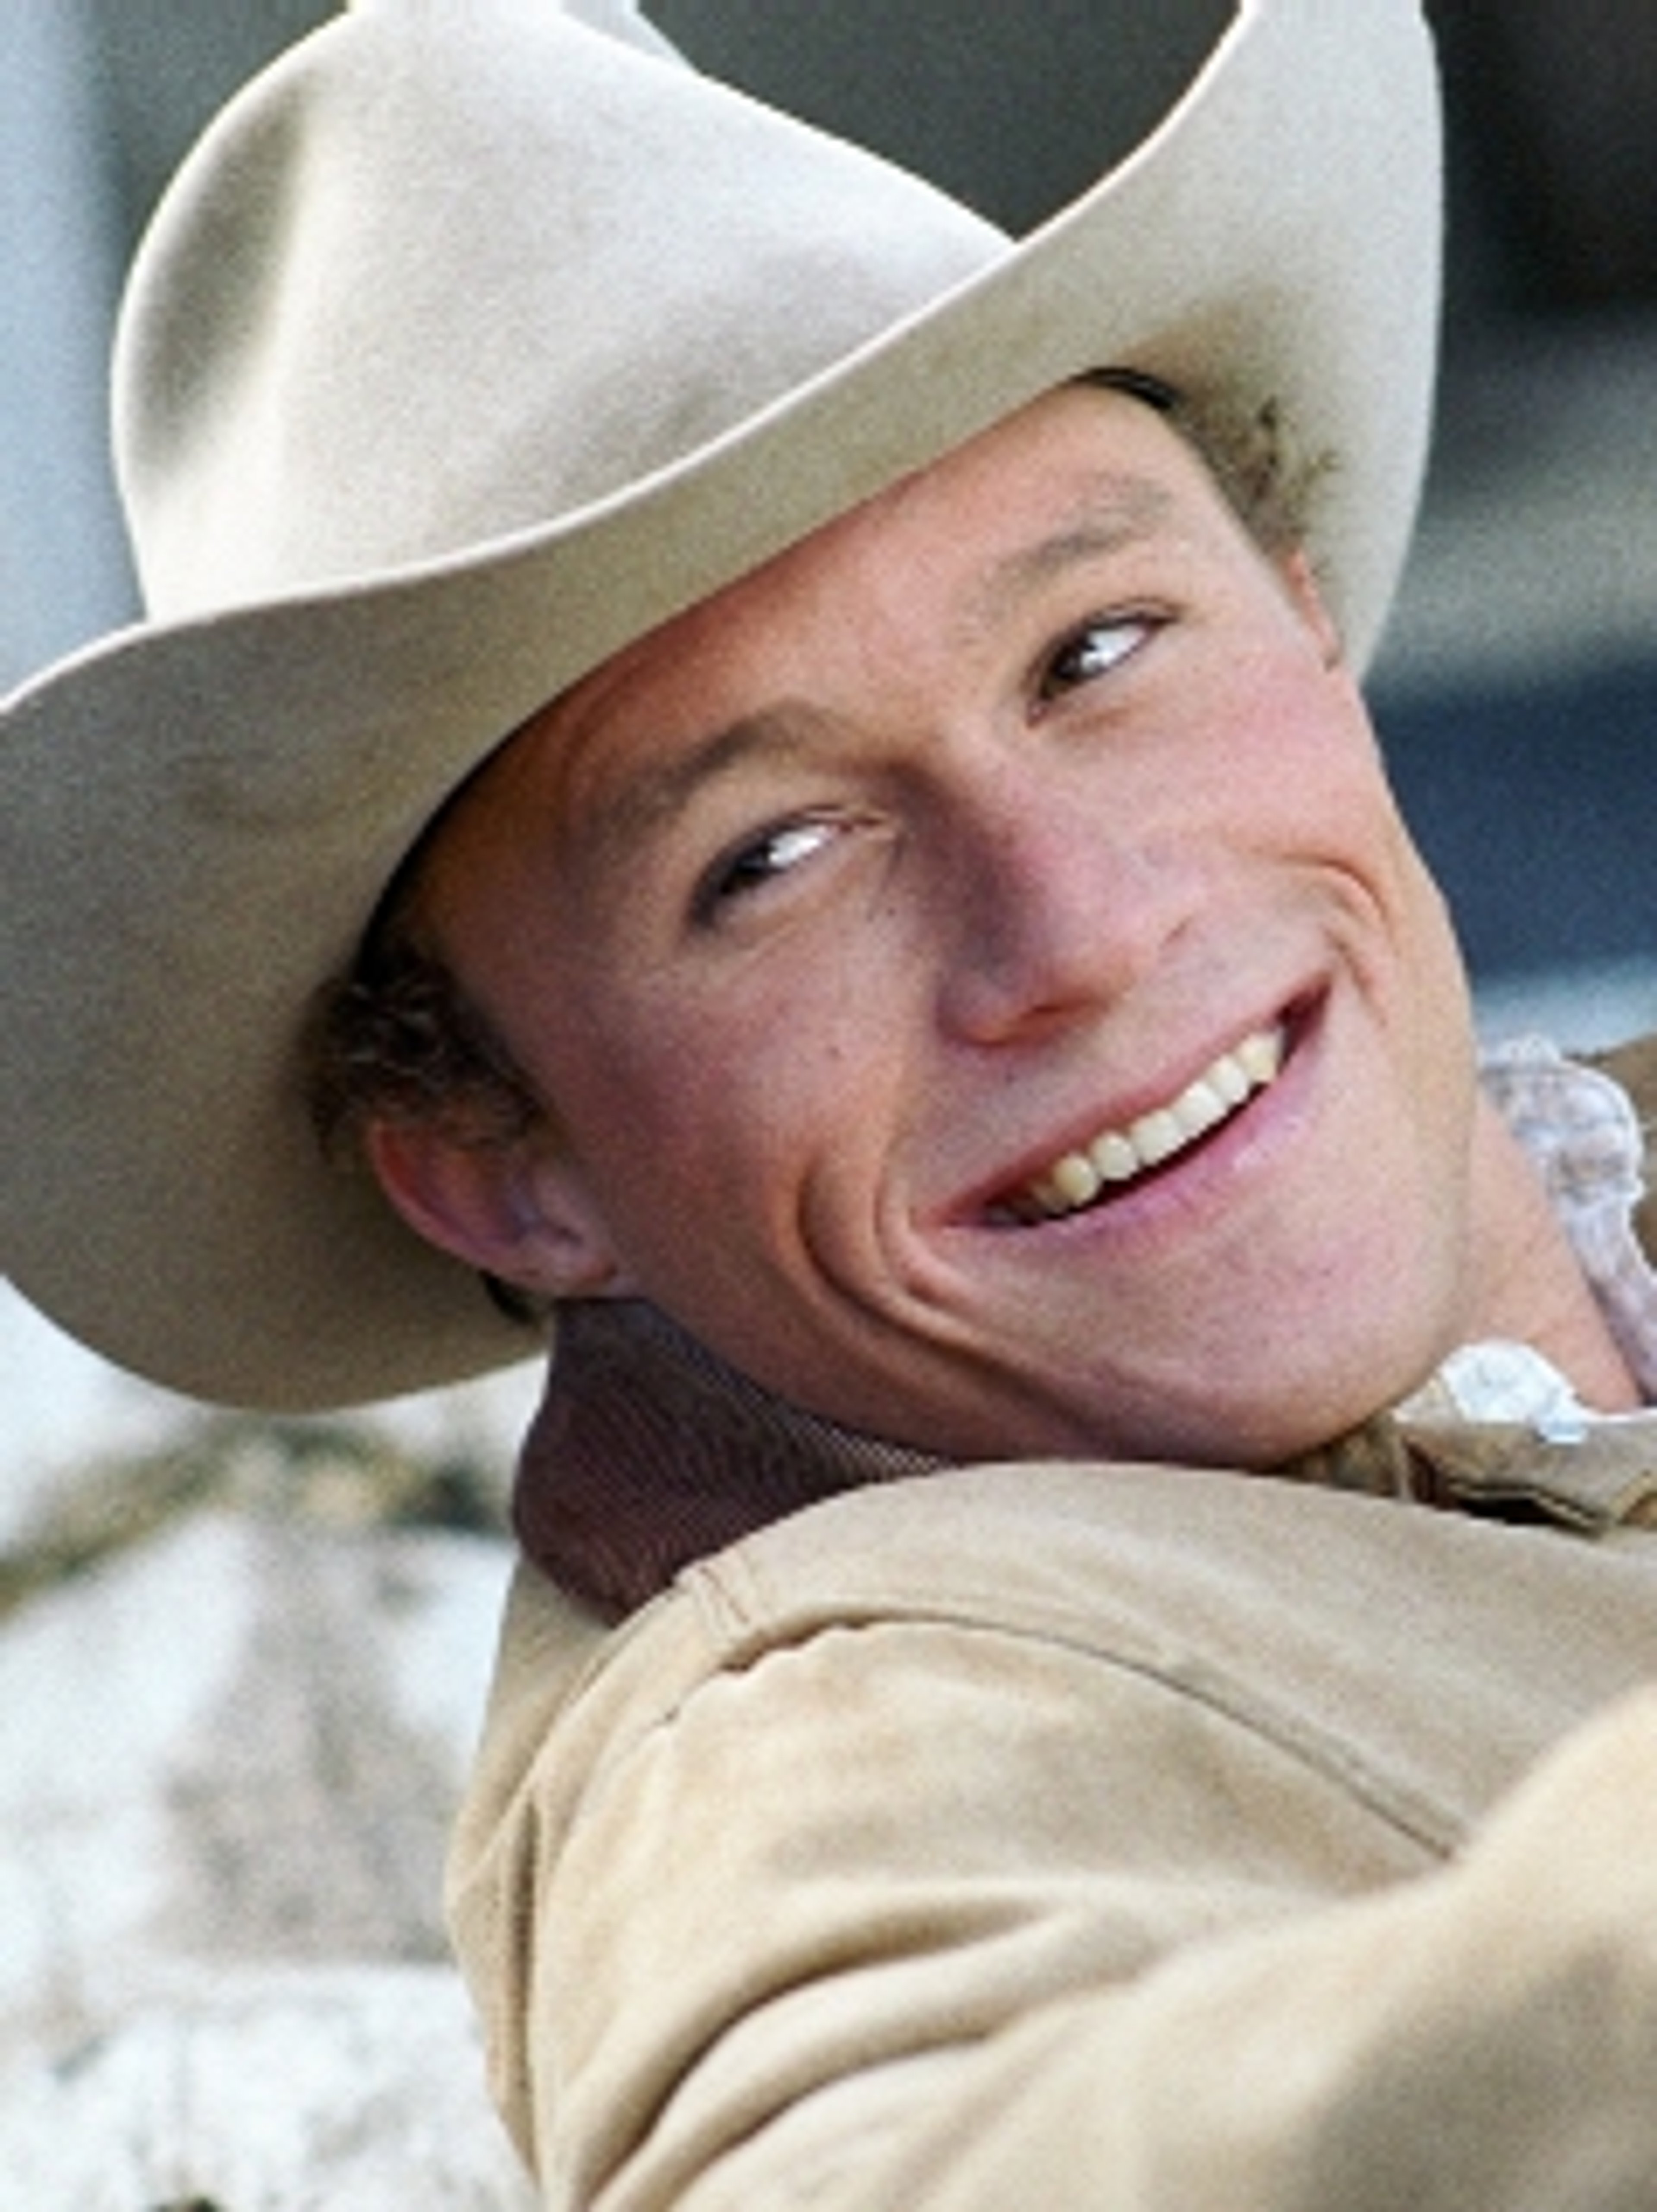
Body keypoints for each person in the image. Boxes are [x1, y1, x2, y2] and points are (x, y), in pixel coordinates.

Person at [1, 0, 1654, 2204]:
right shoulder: (819, 1741)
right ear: (503, 1169)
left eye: (1097, 652)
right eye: (768, 858)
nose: (1077, 923)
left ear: (1305, 612)